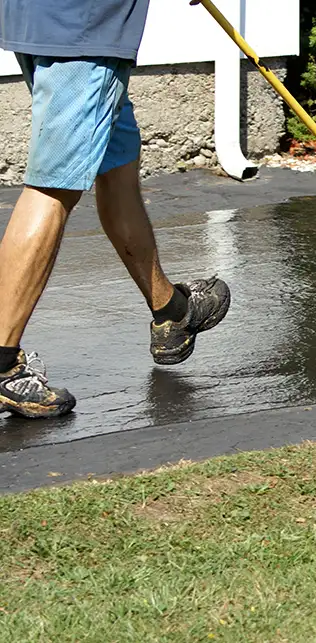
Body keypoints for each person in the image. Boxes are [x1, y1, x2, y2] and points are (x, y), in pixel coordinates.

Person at [0, 1, 231, 419]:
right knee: (54, 186)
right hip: (85, 26)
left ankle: (171, 312)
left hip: (41, 17)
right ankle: (0, 364)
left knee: (116, 164)